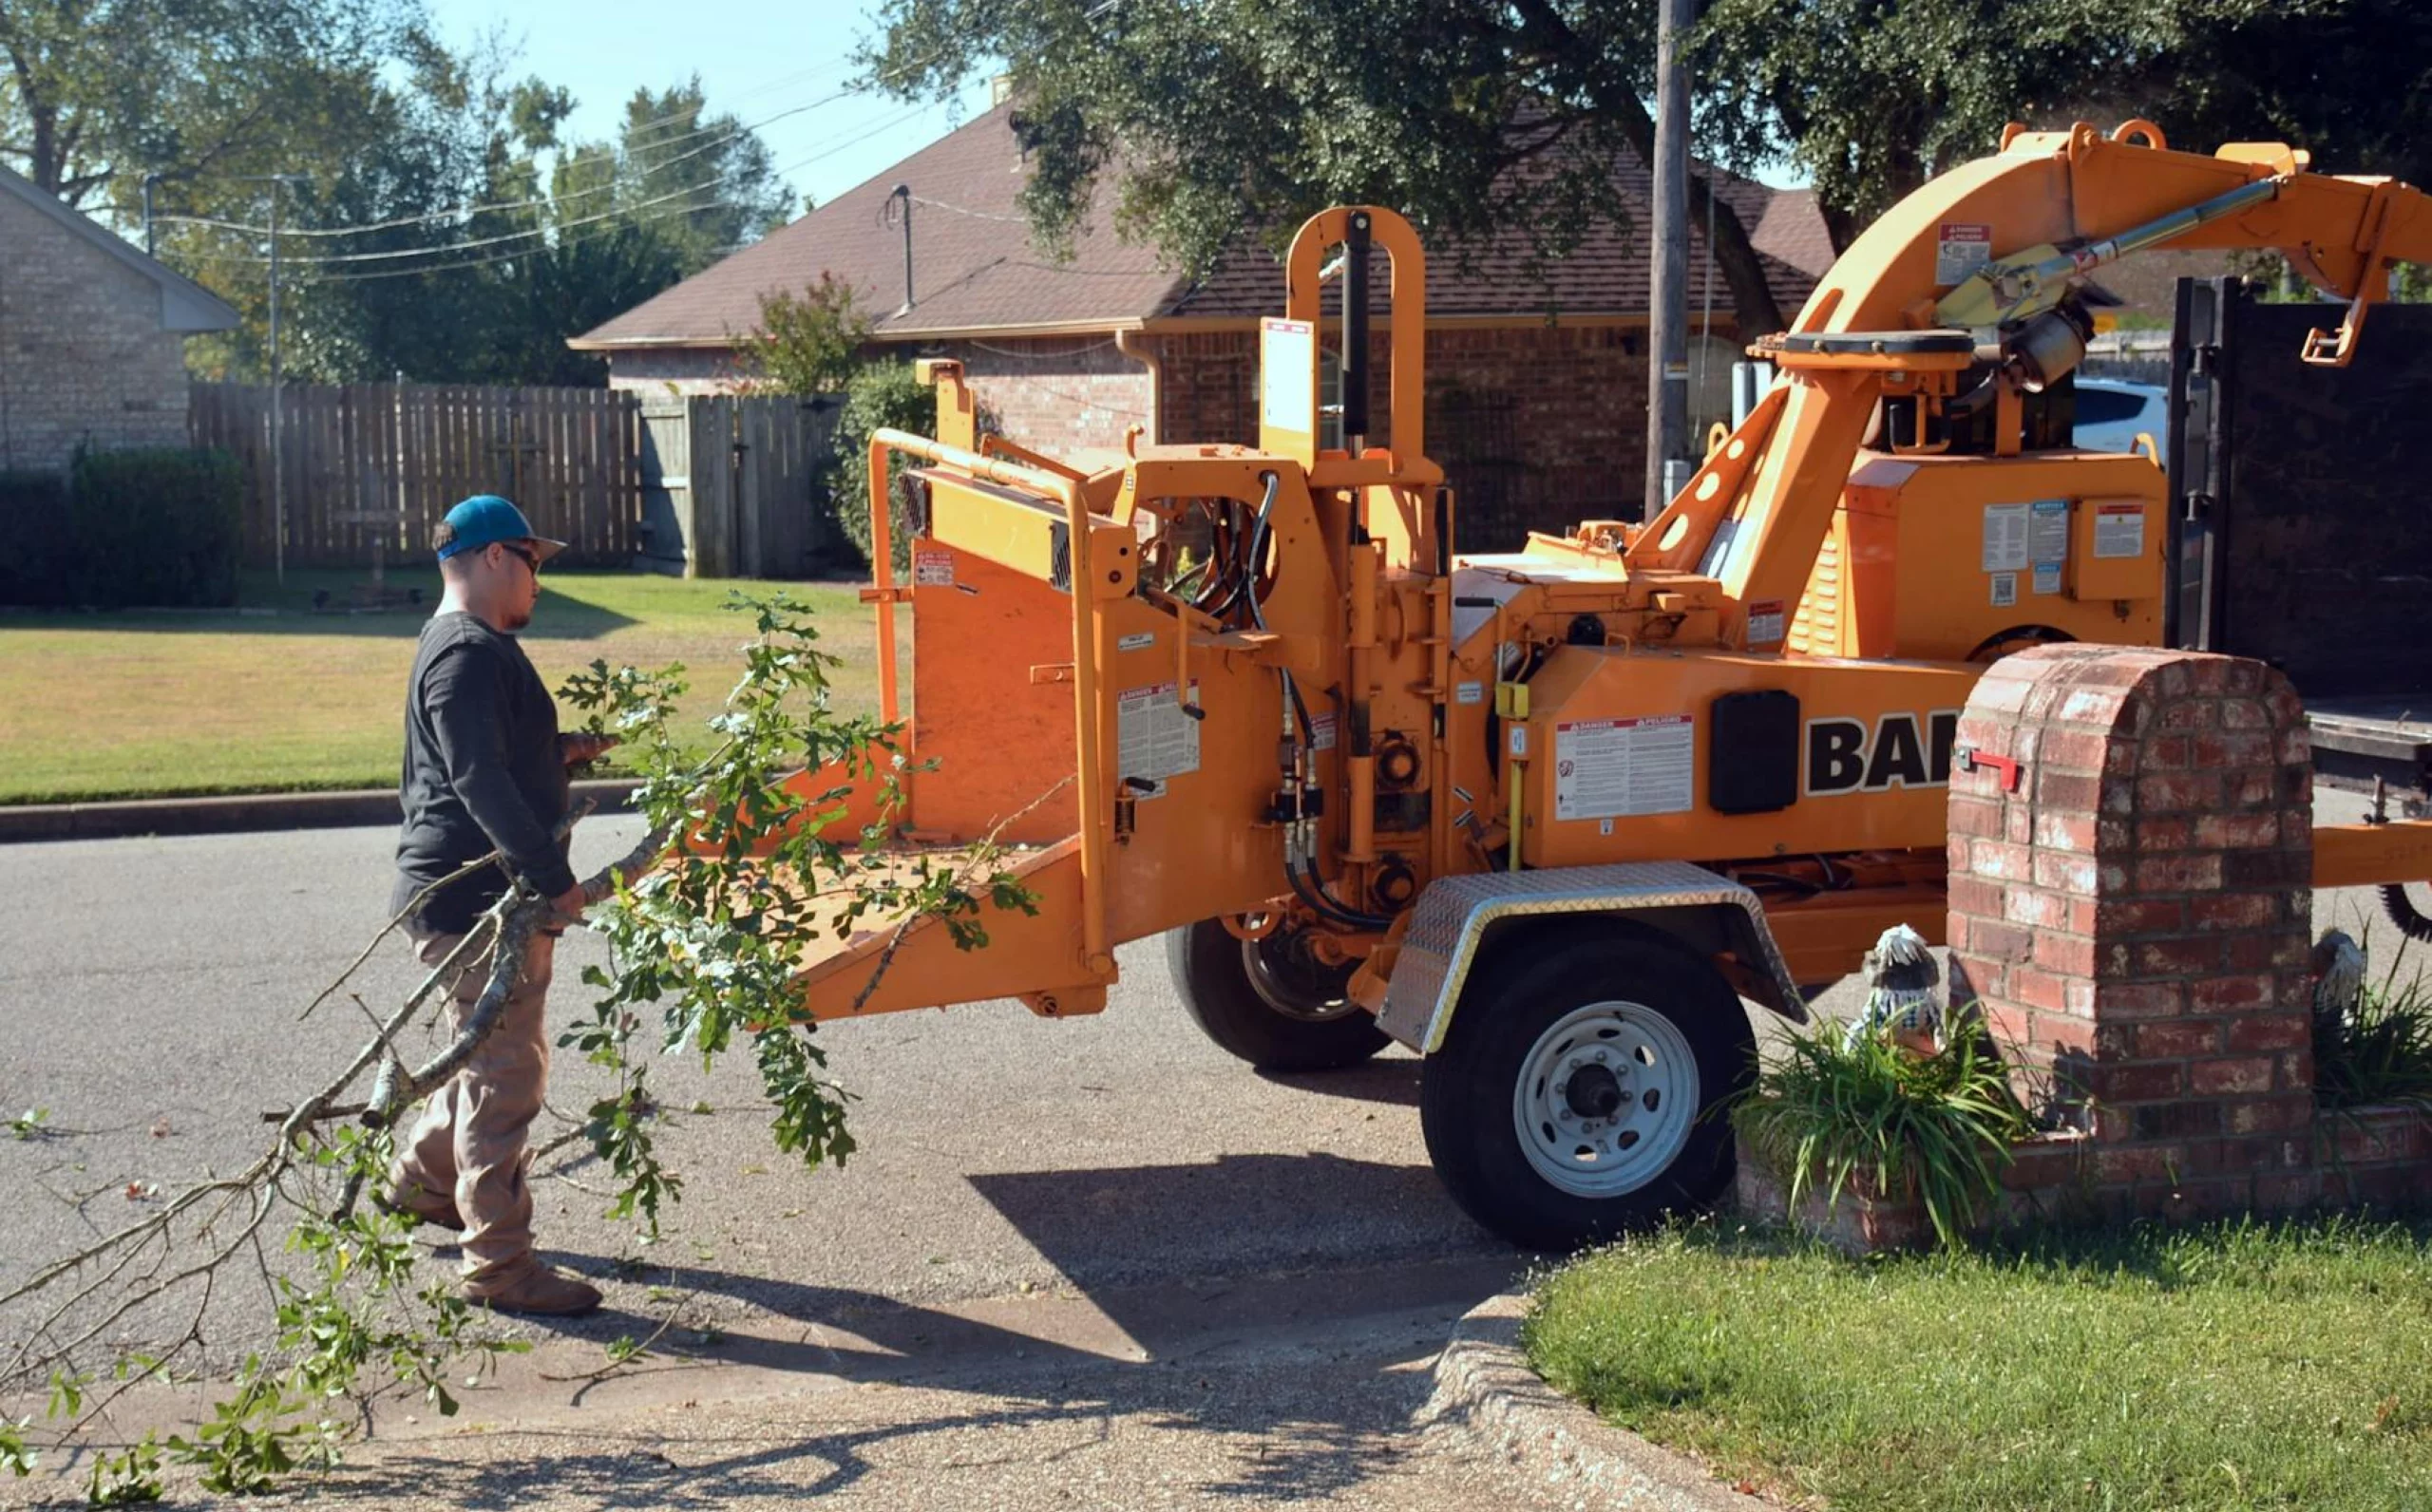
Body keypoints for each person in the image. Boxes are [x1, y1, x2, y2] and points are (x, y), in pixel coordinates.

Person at [383, 494, 615, 1316]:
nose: (539, 578)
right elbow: (475, 779)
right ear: (489, 558)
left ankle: (421, 1185)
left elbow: (478, 755)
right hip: (479, 898)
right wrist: (555, 879)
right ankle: (500, 1267)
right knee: (508, 1076)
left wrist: (560, 751)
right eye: (531, 559)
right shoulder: (467, 653)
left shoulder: (464, 648)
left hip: (469, 892)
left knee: (479, 1053)